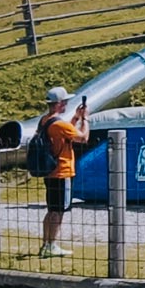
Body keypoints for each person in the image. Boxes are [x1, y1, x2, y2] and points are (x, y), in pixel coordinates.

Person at [37, 86, 90, 258]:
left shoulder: (45, 121)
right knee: (59, 211)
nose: (67, 103)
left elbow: (67, 133)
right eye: (65, 101)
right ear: (59, 104)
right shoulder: (59, 123)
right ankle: (52, 245)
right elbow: (82, 137)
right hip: (62, 171)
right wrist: (86, 120)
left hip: (49, 171)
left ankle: (46, 243)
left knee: (51, 209)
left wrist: (75, 117)